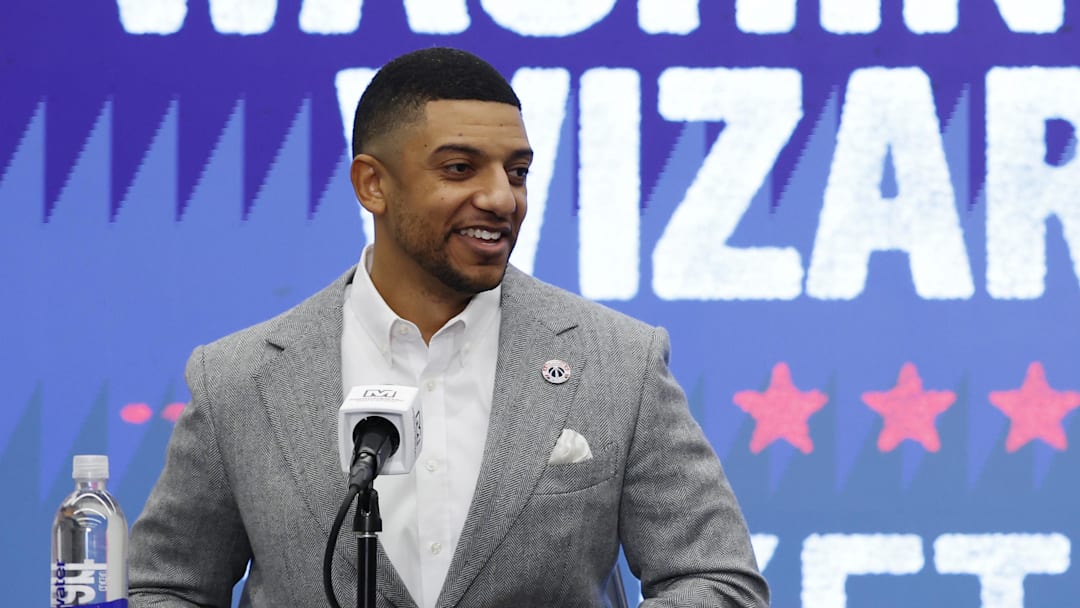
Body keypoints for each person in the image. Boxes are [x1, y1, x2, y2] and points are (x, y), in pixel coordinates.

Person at [129, 47, 769, 608]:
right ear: (372, 184)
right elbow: (167, 587)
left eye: (516, 172)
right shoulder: (240, 377)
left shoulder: (618, 361)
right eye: (460, 168)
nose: (501, 198)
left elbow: (718, 582)